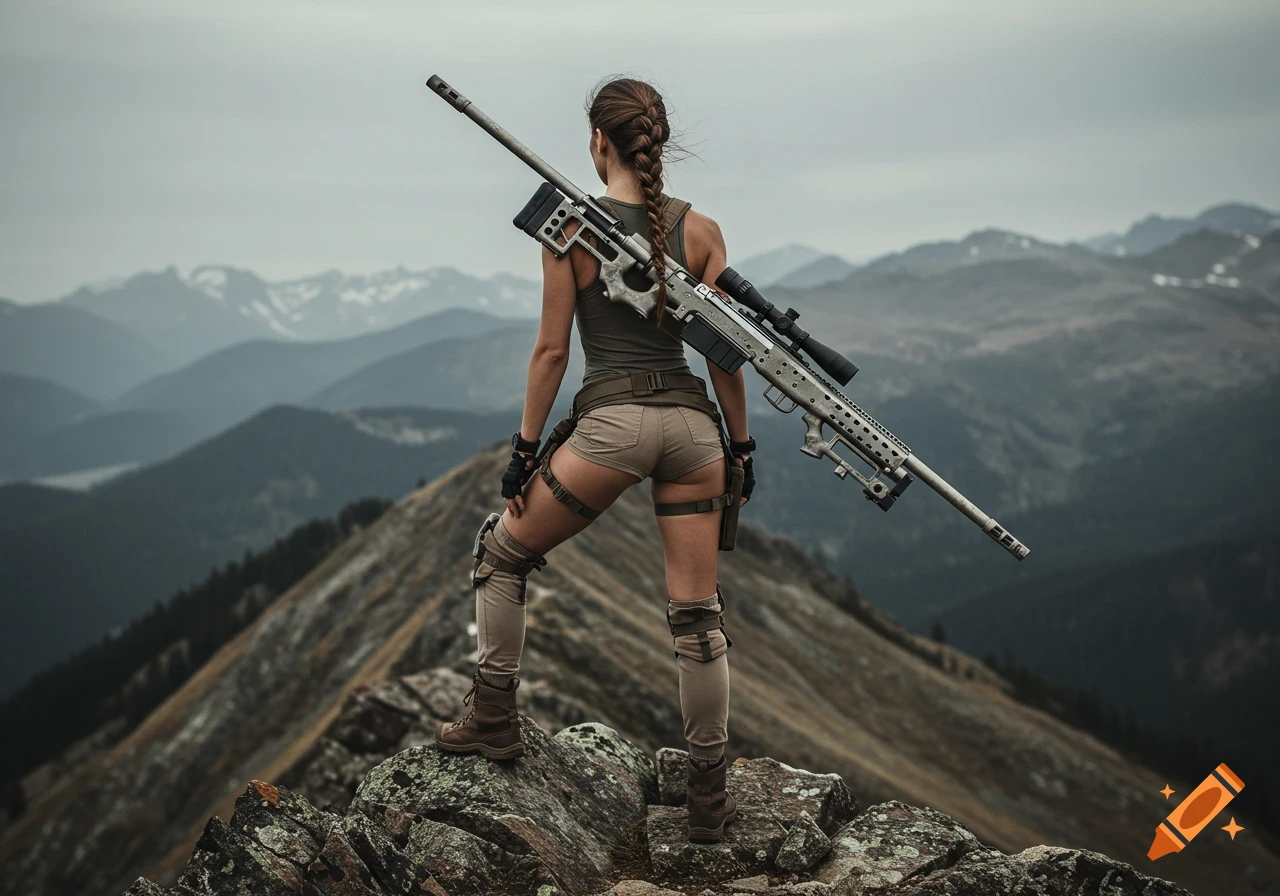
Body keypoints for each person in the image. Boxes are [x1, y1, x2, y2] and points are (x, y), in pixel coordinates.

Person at [435, 75, 755, 844]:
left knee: (501, 555)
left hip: (610, 427)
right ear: (659, 144)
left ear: (598, 142)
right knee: (696, 619)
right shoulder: (704, 231)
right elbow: (727, 361)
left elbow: (550, 353)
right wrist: (739, 447)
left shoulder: (570, 231)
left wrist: (522, 451)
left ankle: (494, 717)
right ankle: (709, 800)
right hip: (692, 432)